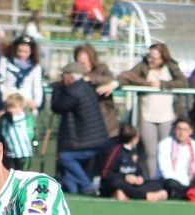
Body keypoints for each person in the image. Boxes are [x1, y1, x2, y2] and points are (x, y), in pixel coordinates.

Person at [118, 43, 186, 178]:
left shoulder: (171, 67)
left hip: (167, 117)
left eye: (154, 58)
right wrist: (147, 84)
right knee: (151, 153)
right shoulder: (143, 66)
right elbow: (125, 76)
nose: (150, 60)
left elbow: (183, 82)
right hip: (147, 116)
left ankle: (167, 180)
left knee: (166, 151)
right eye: (149, 56)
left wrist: (162, 84)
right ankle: (152, 180)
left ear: (163, 58)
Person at [50, 61, 110, 194]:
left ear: (70, 76)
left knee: (65, 157)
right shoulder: (85, 87)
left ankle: (87, 186)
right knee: (69, 163)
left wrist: (57, 89)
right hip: (97, 138)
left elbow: (58, 107)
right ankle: (73, 189)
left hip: (89, 141)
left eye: (64, 75)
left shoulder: (73, 91)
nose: (62, 78)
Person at [98, 124, 167, 202]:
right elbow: (106, 173)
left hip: (131, 185)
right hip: (116, 183)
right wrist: (125, 177)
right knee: (117, 182)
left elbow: (139, 170)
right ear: (133, 138)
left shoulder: (134, 151)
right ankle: (146, 196)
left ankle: (123, 194)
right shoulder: (115, 151)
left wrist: (139, 178)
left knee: (157, 184)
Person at [73, 44, 120, 142]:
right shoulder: (74, 73)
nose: (82, 66)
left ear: (92, 60)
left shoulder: (102, 69)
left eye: (84, 63)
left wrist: (90, 79)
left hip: (105, 123)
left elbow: (111, 79)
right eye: (79, 63)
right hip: (83, 124)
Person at [156, 117, 195, 200]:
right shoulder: (164, 144)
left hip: (193, 183)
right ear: (174, 130)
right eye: (179, 129)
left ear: (191, 131)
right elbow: (166, 172)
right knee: (170, 183)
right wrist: (187, 184)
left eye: (185, 130)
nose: (181, 133)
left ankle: (186, 194)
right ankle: (189, 193)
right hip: (171, 182)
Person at [0, 35, 44, 115]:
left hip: (26, 103)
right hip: (8, 101)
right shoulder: (5, 61)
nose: (22, 54)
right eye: (19, 51)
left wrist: (36, 102)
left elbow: (37, 86)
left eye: (26, 52)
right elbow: (0, 80)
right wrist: (7, 97)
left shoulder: (35, 67)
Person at [0, 91, 35, 170]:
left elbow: (31, 133)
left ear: (21, 107)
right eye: (9, 107)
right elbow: (2, 134)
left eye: (14, 107)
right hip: (10, 154)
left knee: (23, 173)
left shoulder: (24, 117)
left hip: (24, 153)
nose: (11, 110)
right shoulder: (4, 119)